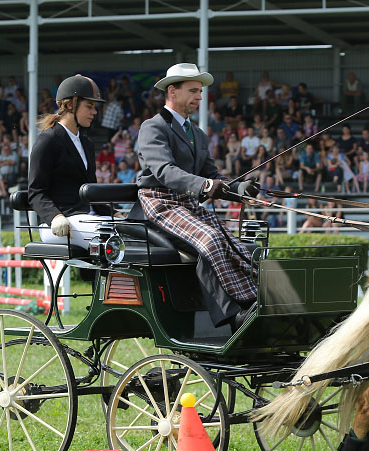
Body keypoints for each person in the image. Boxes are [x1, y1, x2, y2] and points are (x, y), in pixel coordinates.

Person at [135, 63, 260, 328]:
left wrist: (239, 190)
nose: (199, 98)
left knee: (235, 244)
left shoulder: (198, 135)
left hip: (187, 205)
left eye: (200, 92)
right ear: (172, 91)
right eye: (193, 91)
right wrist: (205, 186)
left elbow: (213, 174)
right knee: (210, 238)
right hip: (160, 204)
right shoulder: (153, 127)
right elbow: (164, 171)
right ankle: (232, 315)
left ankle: (251, 301)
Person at [28, 74, 112, 249]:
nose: (94, 112)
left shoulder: (86, 143)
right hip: (59, 223)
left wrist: (114, 212)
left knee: (135, 231)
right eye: (89, 107)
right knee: (114, 236)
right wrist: (55, 216)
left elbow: (91, 192)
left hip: (87, 220)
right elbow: (36, 191)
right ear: (69, 105)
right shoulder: (48, 140)